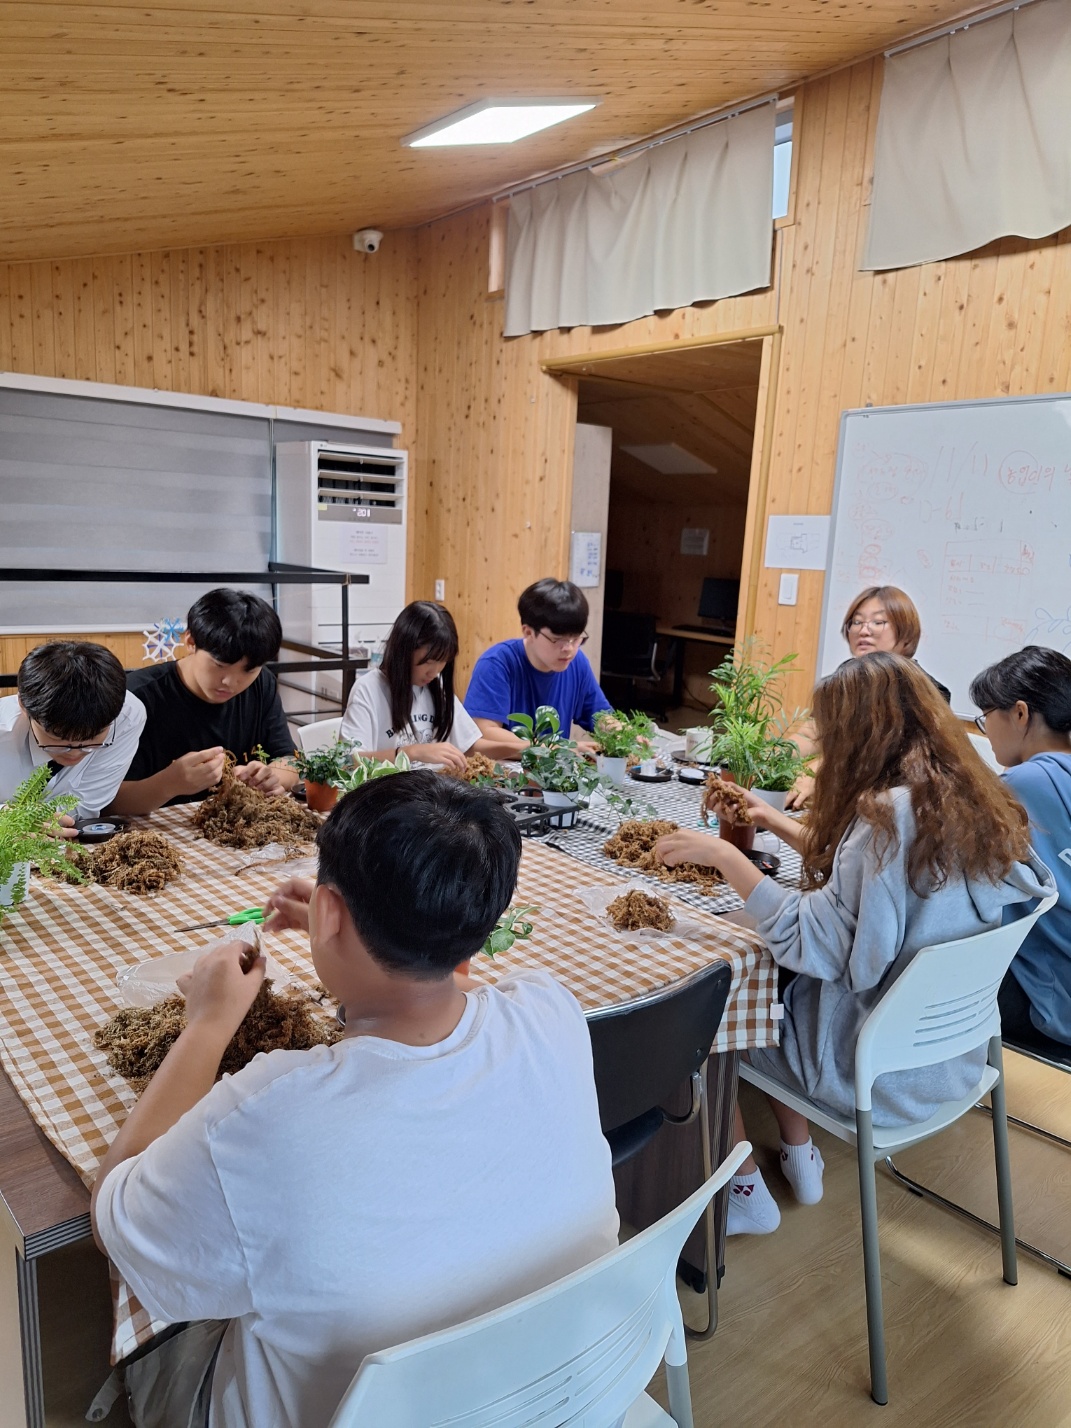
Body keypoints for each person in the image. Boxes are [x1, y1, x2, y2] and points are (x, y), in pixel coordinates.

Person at [91, 774, 619, 1428]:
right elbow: (438, 993)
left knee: (181, 1312)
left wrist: (208, 1020)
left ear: (332, 913)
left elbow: (116, 1220)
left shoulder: (265, 1112)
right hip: (564, 1396)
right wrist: (367, 925)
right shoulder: (550, 1009)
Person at [655, 653, 1052, 1236]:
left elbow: (812, 943)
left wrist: (726, 857)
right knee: (772, 985)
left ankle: (742, 1190)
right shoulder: (966, 799)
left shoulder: (885, 818)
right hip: (951, 1060)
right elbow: (866, 879)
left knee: (704, 1017)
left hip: (870, 1069)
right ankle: (799, 1153)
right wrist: (769, 818)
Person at [109, 589, 299, 814]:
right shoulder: (135, 698)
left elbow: (290, 760)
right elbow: (106, 802)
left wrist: (273, 776)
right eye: (219, 665)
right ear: (190, 641)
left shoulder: (262, 684)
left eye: (249, 670)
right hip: (153, 835)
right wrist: (168, 784)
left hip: (233, 830)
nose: (231, 682)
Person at [970, 647, 1071, 1052]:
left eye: (985, 716)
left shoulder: (1022, 784)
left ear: (1020, 713)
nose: (984, 729)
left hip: (1051, 1001)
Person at [786, 585, 949, 808]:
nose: (864, 630)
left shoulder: (925, 690)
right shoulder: (844, 678)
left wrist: (822, 770)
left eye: (877, 622)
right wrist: (772, 758)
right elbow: (812, 732)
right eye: (857, 622)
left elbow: (891, 758)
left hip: (895, 806)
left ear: (906, 632)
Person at [339, 601, 520, 770]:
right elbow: (348, 762)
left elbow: (470, 746)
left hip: (432, 795)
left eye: (443, 662)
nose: (434, 672)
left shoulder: (435, 686)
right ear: (404, 652)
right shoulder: (368, 689)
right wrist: (412, 753)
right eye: (428, 662)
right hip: (389, 798)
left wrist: (521, 749)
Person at [0, 641, 145, 832]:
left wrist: (31, 823)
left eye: (93, 739)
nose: (75, 753)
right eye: (58, 739)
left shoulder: (125, 717)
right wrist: (7, 819)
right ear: (24, 707)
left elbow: (85, 804)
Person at [463, 579, 611, 754]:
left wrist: (626, 734)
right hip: (503, 773)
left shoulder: (577, 663)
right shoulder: (497, 663)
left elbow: (601, 717)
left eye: (576, 638)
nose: (569, 648)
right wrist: (555, 749)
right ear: (528, 632)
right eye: (557, 639)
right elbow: (484, 733)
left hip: (552, 774)